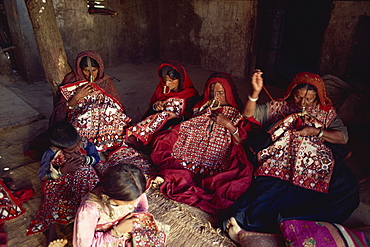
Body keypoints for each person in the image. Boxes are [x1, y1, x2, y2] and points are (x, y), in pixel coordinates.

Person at [220, 71, 359, 234]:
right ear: (291, 92)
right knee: (268, 193)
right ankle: (258, 224)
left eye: (309, 99)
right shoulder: (279, 106)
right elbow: (248, 114)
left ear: (317, 97)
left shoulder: (326, 112)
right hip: (280, 160)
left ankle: (300, 224)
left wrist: (316, 132)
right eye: (298, 97)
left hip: (314, 161)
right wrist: (255, 91)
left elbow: (342, 137)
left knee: (347, 187)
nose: (303, 103)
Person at [150, 72, 259, 215]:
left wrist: (228, 124)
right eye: (212, 92)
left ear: (229, 93)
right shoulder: (202, 106)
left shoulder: (236, 113)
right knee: (164, 141)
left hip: (220, 151)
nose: (216, 96)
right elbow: (189, 120)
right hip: (193, 146)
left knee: (234, 180)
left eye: (220, 92)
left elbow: (243, 140)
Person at [27, 121, 100, 243]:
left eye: (77, 143)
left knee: (91, 194)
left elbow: (96, 159)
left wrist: (83, 159)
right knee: (57, 201)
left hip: (82, 175)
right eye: (72, 149)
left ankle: (91, 221)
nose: (77, 148)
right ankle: (54, 234)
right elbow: (42, 176)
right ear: (59, 147)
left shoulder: (84, 142)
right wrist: (61, 171)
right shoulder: (51, 153)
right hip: (59, 181)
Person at [50, 50, 131, 153]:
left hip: (105, 118)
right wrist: (76, 97)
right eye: (86, 70)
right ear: (80, 69)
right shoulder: (71, 81)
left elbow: (119, 105)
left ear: (100, 68)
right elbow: (60, 111)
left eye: (94, 70)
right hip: (82, 117)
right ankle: (89, 150)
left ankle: (106, 147)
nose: (91, 75)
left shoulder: (106, 82)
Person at [73, 163, 166, 247]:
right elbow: (83, 245)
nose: (133, 204)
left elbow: (142, 208)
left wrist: (137, 219)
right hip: (107, 238)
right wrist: (117, 231)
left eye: (137, 198)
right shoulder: (89, 210)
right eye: (127, 202)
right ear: (108, 196)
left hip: (125, 228)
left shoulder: (134, 190)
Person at [126, 60, 199, 148]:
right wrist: (156, 106)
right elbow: (151, 111)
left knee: (163, 141)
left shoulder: (190, 95)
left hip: (178, 125)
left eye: (172, 81)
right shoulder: (162, 89)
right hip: (158, 122)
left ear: (181, 79)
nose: (168, 84)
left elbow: (194, 118)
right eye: (166, 80)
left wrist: (176, 117)